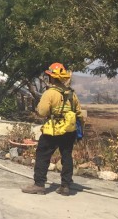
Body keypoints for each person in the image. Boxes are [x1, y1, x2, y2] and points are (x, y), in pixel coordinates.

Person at [22, 63, 83, 196]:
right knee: (66, 155)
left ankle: (39, 184)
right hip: (69, 130)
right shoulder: (72, 94)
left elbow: (42, 112)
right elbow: (78, 112)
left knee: (42, 154)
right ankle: (65, 186)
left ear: (52, 78)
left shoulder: (49, 93)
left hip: (53, 130)